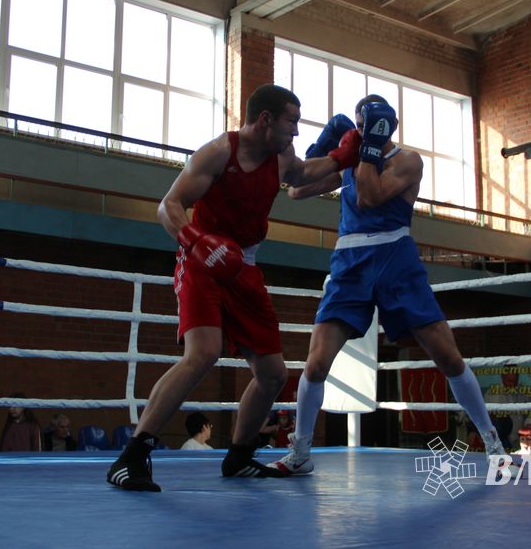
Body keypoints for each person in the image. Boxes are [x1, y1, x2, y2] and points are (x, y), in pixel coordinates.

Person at [107, 84, 360, 492]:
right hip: (201, 260)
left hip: (245, 265)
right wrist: (196, 241)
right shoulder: (218, 153)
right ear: (265, 120)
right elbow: (168, 205)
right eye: (291, 122)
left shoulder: (280, 158)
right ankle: (131, 456)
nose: (296, 132)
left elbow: (303, 176)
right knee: (203, 353)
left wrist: (343, 156)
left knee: (273, 373)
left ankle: (239, 456)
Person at [267, 96, 505, 476]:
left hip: (396, 259)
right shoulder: (353, 160)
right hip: (349, 264)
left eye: (368, 126)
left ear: (384, 126)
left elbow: (369, 196)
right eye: (358, 126)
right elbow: (295, 190)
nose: (361, 132)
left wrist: (368, 152)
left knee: (447, 356)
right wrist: (325, 147)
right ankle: (301, 452)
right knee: (315, 364)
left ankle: (494, 444)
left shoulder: (407, 160)